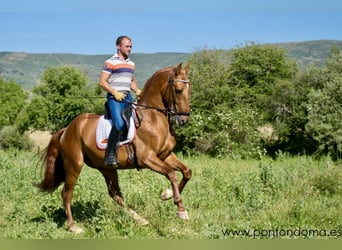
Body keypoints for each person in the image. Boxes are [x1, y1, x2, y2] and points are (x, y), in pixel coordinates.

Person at [99, 35, 141, 166]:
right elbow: (102, 81)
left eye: (131, 46)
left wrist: (138, 90)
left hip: (128, 97)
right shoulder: (110, 62)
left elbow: (131, 80)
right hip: (114, 98)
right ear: (118, 46)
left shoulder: (131, 64)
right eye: (127, 46)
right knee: (119, 124)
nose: (130, 49)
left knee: (140, 120)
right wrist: (114, 92)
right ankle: (110, 156)